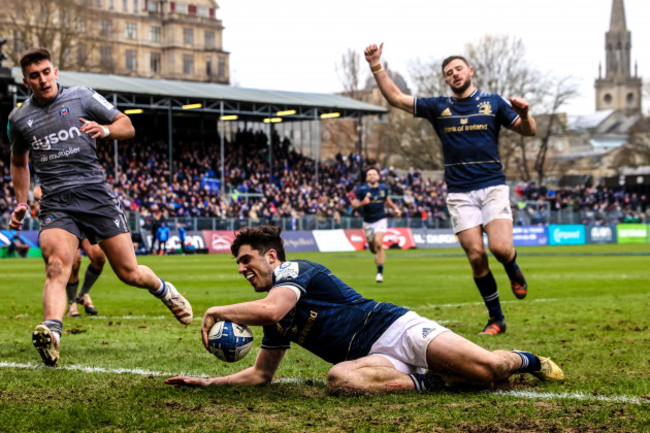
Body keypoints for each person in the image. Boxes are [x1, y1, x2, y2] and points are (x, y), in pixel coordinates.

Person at [165, 225, 563, 393]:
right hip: (374, 362)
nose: (241, 268)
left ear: (271, 257)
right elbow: (261, 374)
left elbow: (270, 310)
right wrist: (209, 383)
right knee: (340, 381)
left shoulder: (296, 270)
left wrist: (218, 309)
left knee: (489, 371)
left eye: (247, 259)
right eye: (237, 263)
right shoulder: (276, 317)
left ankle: (530, 360)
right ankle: (437, 382)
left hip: (396, 330)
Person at [8, 48, 193, 367]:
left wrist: (105, 130)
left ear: (56, 72)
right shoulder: (19, 118)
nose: (42, 79)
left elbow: (127, 125)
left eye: (46, 72)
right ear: (26, 81)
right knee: (56, 266)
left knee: (129, 273)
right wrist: (22, 202)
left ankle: (164, 290)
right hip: (56, 201)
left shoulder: (82, 96)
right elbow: (18, 161)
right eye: (35, 75)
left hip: (95, 195)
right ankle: (52, 333)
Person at [364, 43, 534, 335]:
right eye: (448, 72)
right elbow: (395, 98)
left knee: (501, 249)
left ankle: (512, 267)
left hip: (492, 186)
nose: (454, 74)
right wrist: (376, 64)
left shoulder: (494, 102)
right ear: (446, 80)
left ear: (470, 71)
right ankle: (496, 319)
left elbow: (528, 130)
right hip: (459, 193)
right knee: (476, 256)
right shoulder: (438, 107)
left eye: (458, 69)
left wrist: (526, 113)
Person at [33, 185, 104, 317]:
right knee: (74, 261)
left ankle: (82, 294)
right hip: (66, 218)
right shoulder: (54, 167)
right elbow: (37, 190)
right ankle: (72, 304)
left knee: (98, 257)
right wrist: (55, 199)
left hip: (86, 215)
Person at [351, 167, 401, 283]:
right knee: (374, 249)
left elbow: (386, 200)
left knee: (379, 243)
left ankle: (379, 273)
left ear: (378, 176)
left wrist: (395, 209)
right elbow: (354, 205)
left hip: (381, 219)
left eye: (374, 174)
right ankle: (378, 256)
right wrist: (362, 203)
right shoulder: (361, 190)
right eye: (369, 174)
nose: (372, 175)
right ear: (367, 178)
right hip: (368, 222)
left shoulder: (383, 188)